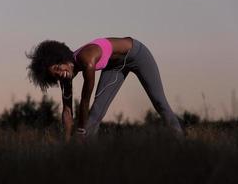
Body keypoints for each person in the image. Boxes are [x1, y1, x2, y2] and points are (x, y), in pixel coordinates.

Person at [26, 37, 184, 142]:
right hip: (115, 66)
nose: (62, 74)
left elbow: (84, 100)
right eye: (56, 75)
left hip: (137, 55)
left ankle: (181, 142)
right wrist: (68, 143)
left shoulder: (86, 60)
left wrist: (80, 131)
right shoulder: (65, 78)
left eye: (58, 67)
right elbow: (67, 111)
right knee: (95, 114)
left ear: (61, 58)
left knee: (159, 102)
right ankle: (85, 158)